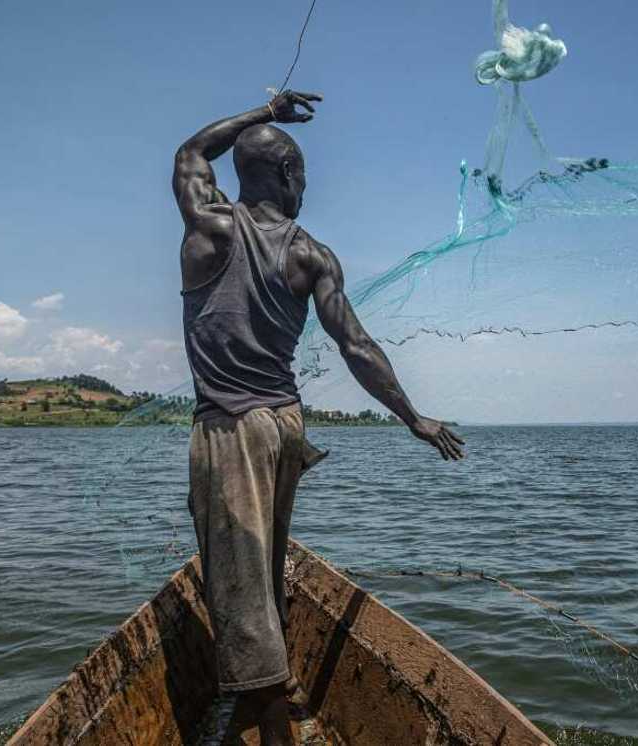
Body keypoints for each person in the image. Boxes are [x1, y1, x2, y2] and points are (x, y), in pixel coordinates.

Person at [174, 90, 465, 745]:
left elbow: (192, 153)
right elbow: (356, 345)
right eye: (301, 173)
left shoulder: (210, 228)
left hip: (232, 430)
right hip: (285, 427)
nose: (307, 185)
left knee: (238, 574)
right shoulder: (312, 254)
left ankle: (270, 722)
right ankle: (264, 696)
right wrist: (411, 417)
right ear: (285, 175)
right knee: (265, 563)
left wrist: (262, 112)